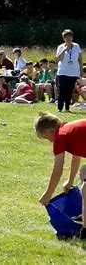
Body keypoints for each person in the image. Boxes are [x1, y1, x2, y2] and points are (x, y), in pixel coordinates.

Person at [35, 112, 86, 240]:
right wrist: (69, 180)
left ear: (49, 131)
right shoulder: (68, 129)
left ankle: (85, 230)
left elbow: (58, 169)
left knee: (85, 188)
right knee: (83, 172)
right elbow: (76, 156)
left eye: (47, 138)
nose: (50, 141)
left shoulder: (60, 136)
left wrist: (48, 194)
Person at [56, 29, 83, 112]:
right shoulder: (60, 47)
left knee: (69, 90)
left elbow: (80, 60)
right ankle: (60, 108)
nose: (68, 39)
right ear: (64, 38)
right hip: (63, 72)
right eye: (66, 37)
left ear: (72, 37)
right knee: (62, 90)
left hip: (73, 72)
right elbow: (58, 59)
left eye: (70, 37)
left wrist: (81, 71)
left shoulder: (76, 46)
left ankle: (67, 108)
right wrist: (65, 49)